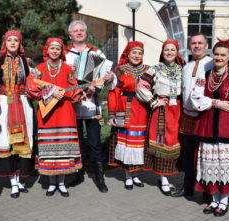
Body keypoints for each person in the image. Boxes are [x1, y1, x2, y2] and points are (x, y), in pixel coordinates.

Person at [191, 39, 229, 216]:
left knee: (225, 165)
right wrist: (218, 103)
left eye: (223, 55)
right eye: (216, 54)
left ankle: (223, 201)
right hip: (208, 126)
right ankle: (213, 200)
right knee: (209, 163)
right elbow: (196, 98)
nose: (218, 57)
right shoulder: (205, 75)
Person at [26, 38, 82, 197]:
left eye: (58, 48)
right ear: (47, 50)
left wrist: (68, 92)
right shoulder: (38, 69)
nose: (55, 51)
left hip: (65, 113)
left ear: (62, 51)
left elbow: (75, 91)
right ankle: (51, 183)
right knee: (49, 149)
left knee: (64, 150)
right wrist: (50, 90)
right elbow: (30, 86)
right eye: (52, 48)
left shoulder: (67, 69)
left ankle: (62, 183)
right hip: (47, 115)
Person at [65, 20, 116, 193]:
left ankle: (99, 178)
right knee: (76, 142)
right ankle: (77, 175)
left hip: (91, 105)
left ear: (86, 33)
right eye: (75, 31)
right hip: (71, 107)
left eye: (82, 30)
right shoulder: (64, 55)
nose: (79, 33)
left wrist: (108, 78)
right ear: (70, 35)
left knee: (94, 142)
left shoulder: (96, 52)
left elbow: (104, 76)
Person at [137, 39, 185, 196]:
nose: (169, 52)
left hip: (179, 110)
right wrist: (153, 100)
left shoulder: (183, 69)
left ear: (177, 52)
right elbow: (141, 85)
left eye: (172, 50)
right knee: (162, 142)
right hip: (163, 110)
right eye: (166, 50)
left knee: (178, 141)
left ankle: (177, 175)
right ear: (162, 52)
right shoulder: (155, 69)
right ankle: (164, 179)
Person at [0, 30, 34, 198]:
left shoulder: (28, 62)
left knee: (22, 141)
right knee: (6, 141)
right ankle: (13, 182)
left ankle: (20, 179)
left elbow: (35, 82)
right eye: (10, 40)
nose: (13, 42)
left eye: (16, 40)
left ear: (20, 43)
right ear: (5, 43)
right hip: (4, 104)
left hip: (23, 104)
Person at [171, 32, 213, 197]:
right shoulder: (186, 67)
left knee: (204, 155)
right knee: (188, 155)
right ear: (190, 46)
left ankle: (207, 192)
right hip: (187, 117)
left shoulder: (212, 64)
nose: (196, 46)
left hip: (205, 117)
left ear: (206, 46)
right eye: (193, 43)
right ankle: (188, 188)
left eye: (200, 43)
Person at [108, 41, 149, 189]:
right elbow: (114, 92)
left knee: (139, 143)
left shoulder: (148, 70)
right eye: (134, 53)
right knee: (126, 142)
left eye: (140, 53)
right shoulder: (120, 70)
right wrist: (111, 114)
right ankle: (127, 175)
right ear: (128, 54)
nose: (137, 56)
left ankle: (136, 174)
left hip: (143, 109)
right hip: (125, 108)